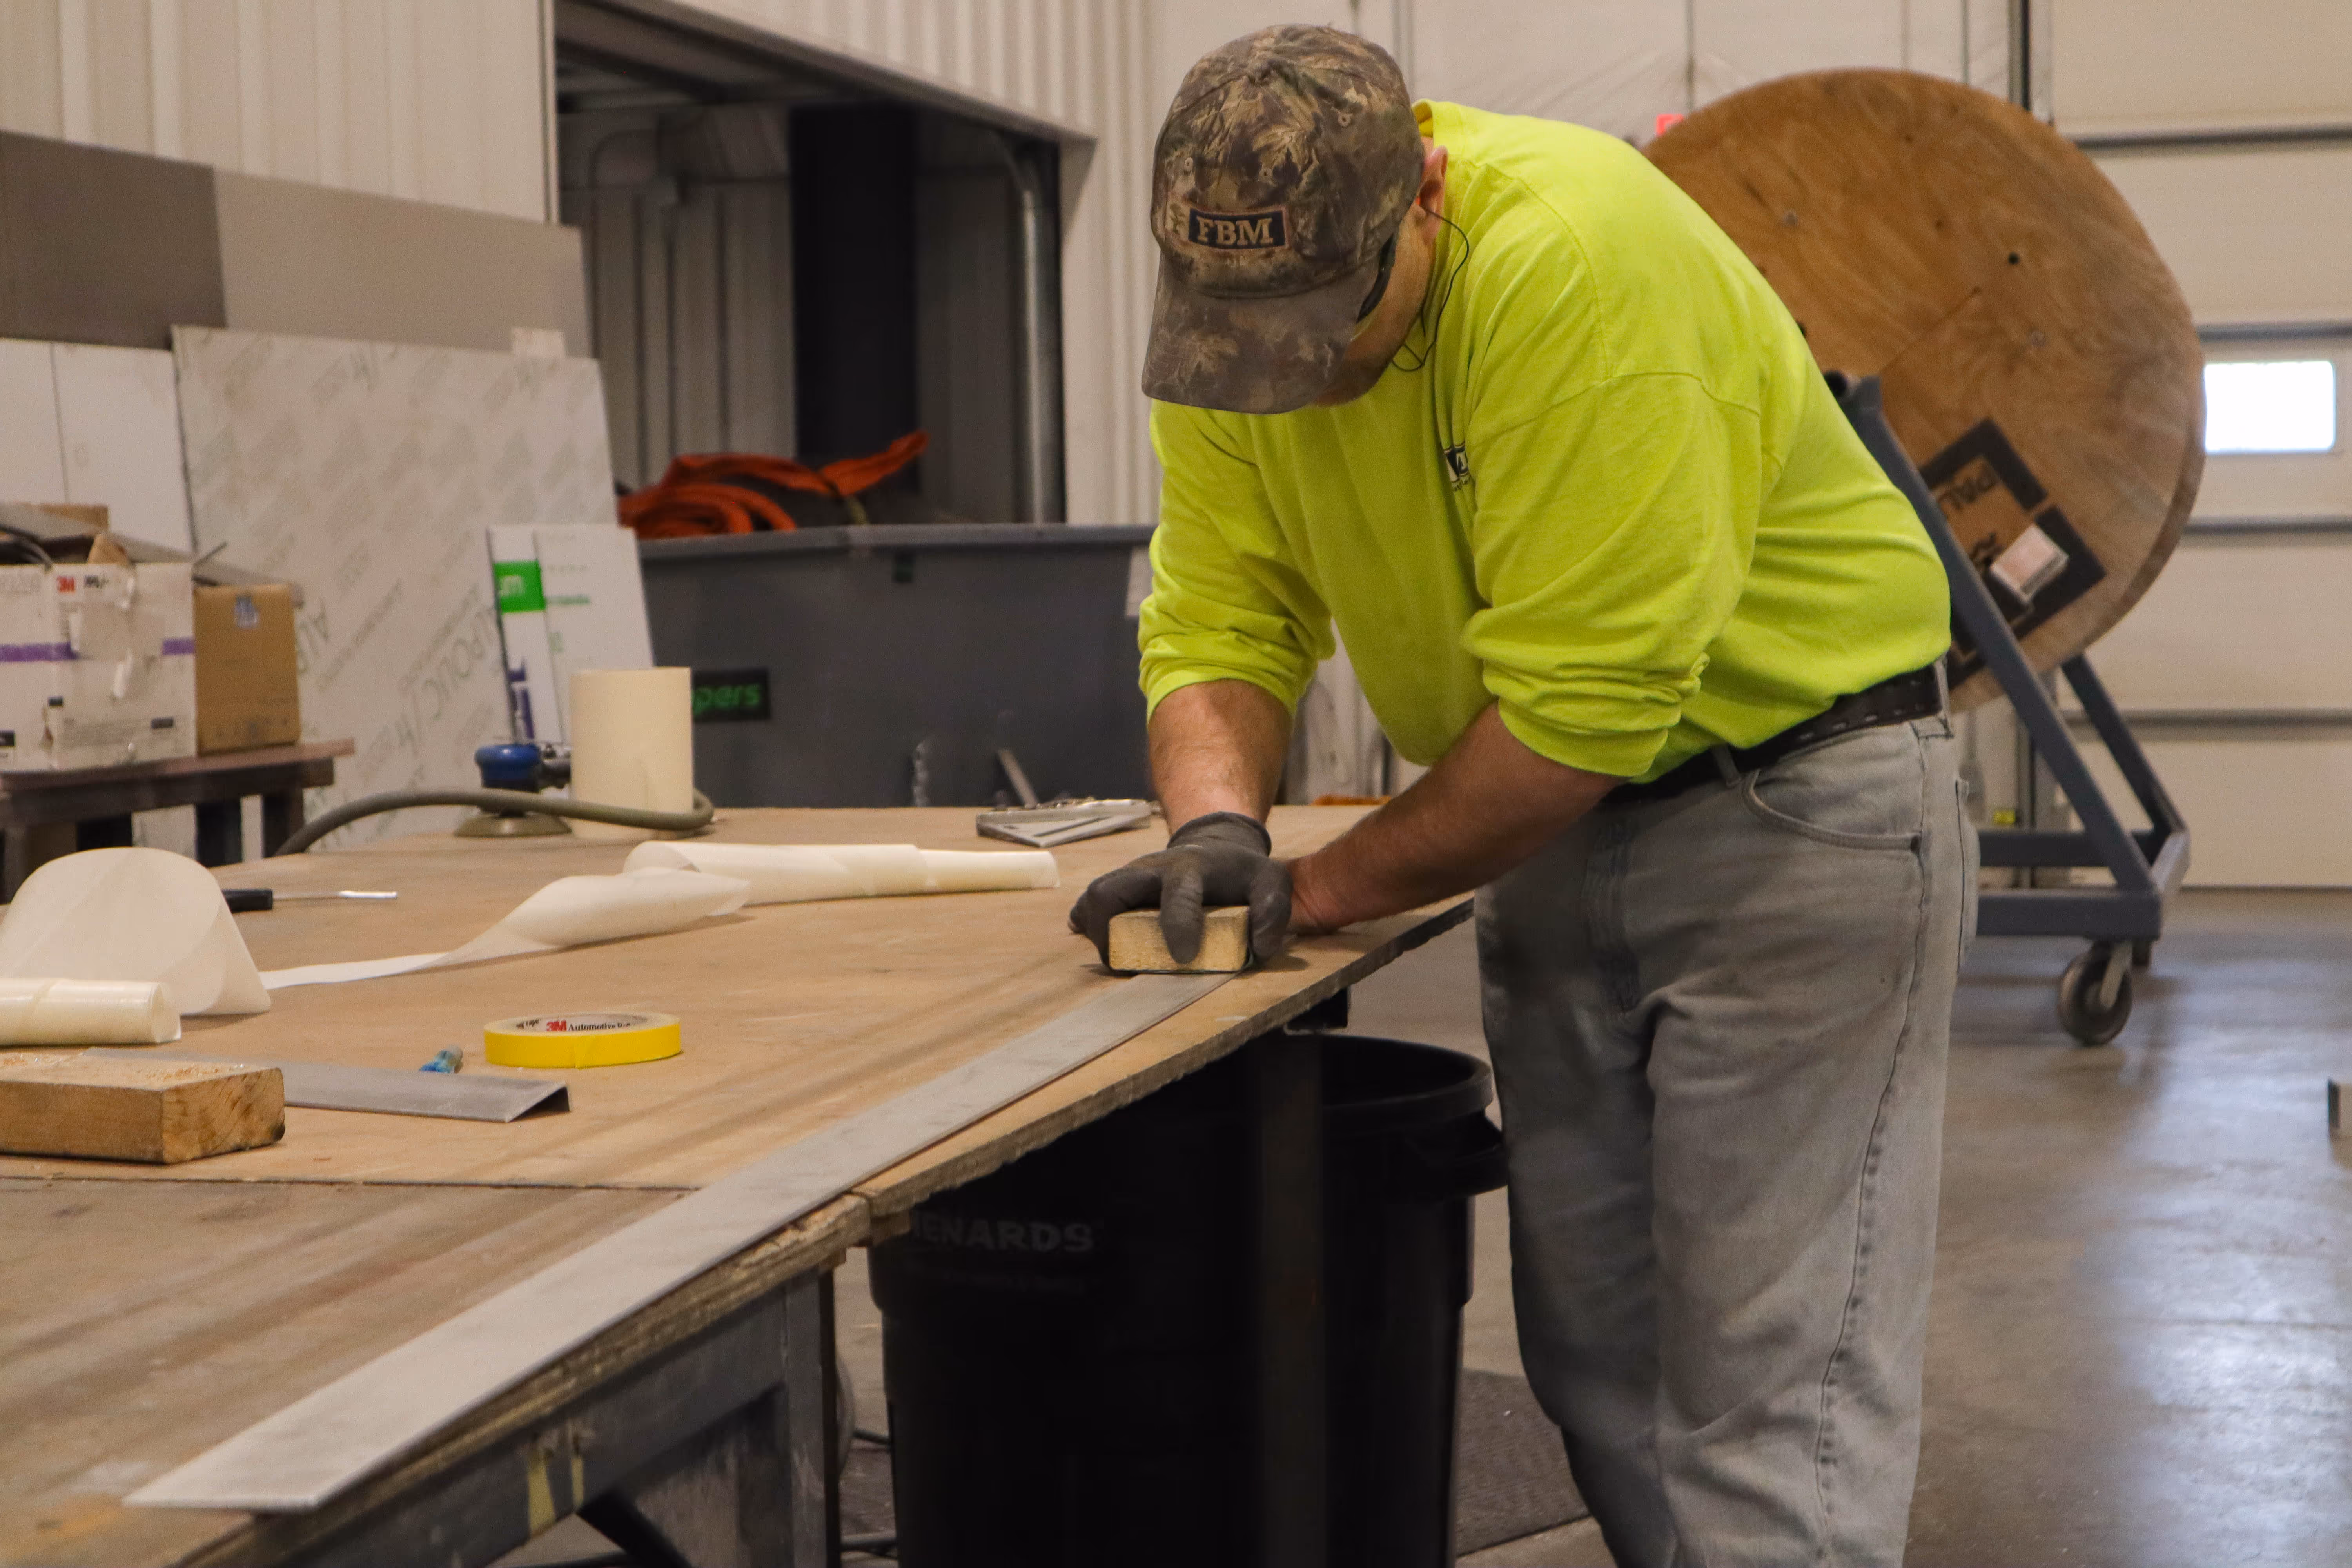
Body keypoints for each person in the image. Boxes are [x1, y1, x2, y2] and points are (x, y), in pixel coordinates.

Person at [1067, 25, 1977, 1568]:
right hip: (1548, 830)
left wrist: (1327, 884)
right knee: (1595, 1354)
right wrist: (1217, 829)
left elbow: (1581, 716)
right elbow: (1224, 613)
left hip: (1794, 813)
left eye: (1324, 325)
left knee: (1769, 1386)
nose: (1295, 371)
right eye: (1252, 332)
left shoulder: (1572, 258)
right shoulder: (1239, 313)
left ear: (1423, 194)